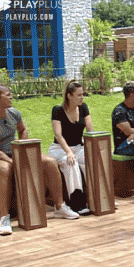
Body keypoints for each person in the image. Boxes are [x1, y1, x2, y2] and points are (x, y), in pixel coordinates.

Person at [0, 85, 79, 235]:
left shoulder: (14, 113)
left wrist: (21, 147)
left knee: (50, 161)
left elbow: (23, 129)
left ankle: (59, 206)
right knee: (5, 169)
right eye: (8, 94)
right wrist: (13, 162)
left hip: (14, 153)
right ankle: (4, 218)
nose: (12, 96)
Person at [48, 79, 92, 215]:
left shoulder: (83, 108)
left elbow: (90, 131)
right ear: (69, 96)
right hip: (60, 148)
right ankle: (77, 204)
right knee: (70, 163)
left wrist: (93, 148)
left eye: (82, 94)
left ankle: (100, 197)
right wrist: (68, 152)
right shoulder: (58, 110)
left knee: (91, 160)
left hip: (79, 147)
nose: (82, 97)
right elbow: (58, 135)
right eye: (79, 95)